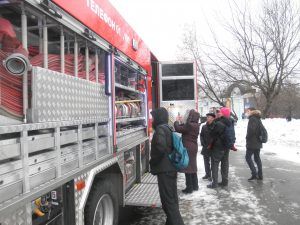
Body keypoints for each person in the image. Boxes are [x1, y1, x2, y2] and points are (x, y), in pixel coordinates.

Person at [150, 107, 185, 225]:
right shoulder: (168, 127)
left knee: (168, 203)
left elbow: (160, 147)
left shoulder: (160, 129)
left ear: (158, 117)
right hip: (170, 169)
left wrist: (153, 161)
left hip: (165, 170)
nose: (152, 120)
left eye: (154, 117)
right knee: (172, 200)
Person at [208, 107, 235, 188]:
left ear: (223, 113)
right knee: (225, 164)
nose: (218, 113)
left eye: (220, 112)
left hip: (218, 146)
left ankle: (214, 183)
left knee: (215, 164)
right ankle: (224, 181)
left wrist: (212, 124)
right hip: (226, 146)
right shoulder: (230, 122)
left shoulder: (220, 123)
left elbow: (212, 133)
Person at [174, 109, 200, 194]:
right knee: (193, 166)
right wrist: (182, 121)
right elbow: (185, 127)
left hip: (188, 147)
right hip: (193, 147)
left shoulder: (189, 125)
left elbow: (178, 128)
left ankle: (189, 188)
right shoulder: (196, 124)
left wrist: (176, 121)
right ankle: (195, 186)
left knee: (188, 167)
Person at [245, 107, 263, 181]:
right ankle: (260, 175)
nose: (247, 112)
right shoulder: (258, 118)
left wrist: (247, 137)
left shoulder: (252, 118)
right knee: (257, 158)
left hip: (252, 142)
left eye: (248, 111)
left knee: (248, 157)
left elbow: (251, 130)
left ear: (252, 111)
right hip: (258, 141)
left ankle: (254, 173)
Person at [200, 113, 216, 181]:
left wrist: (212, 144)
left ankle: (212, 176)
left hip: (213, 147)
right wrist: (203, 143)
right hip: (205, 147)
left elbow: (216, 137)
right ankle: (207, 174)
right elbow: (201, 135)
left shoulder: (215, 126)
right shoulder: (204, 126)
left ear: (213, 118)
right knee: (206, 162)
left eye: (209, 117)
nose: (207, 118)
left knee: (213, 163)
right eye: (207, 117)